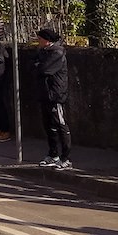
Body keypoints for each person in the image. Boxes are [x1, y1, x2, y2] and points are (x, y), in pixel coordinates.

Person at [34, 28, 72, 170]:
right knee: (49, 125)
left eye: (40, 39)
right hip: (45, 93)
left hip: (56, 94)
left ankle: (65, 158)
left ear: (47, 40)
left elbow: (44, 69)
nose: (38, 41)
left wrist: (38, 66)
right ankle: (53, 154)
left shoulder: (57, 53)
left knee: (60, 125)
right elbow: (34, 66)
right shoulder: (43, 52)